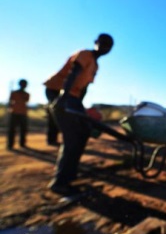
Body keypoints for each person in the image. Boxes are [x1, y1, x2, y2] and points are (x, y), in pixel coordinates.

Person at [46, 33, 114, 195]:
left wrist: (80, 108)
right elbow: (73, 74)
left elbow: (84, 88)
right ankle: (59, 182)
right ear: (96, 42)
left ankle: (69, 177)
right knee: (72, 136)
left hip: (73, 97)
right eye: (102, 43)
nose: (104, 47)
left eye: (108, 46)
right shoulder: (85, 54)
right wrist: (62, 98)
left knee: (83, 132)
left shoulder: (95, 66)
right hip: (59, 92)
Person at [7, 79, 30, 149]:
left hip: (23, 113)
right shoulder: (14, 93)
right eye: (23, 84)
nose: (24, 86)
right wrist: (10, 109)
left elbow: (26, 100)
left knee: (23, 129)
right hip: (14, 113)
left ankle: (22, 144)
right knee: (12, 130)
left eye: (25, 84)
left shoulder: (26, 94)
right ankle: (10, 144)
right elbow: (10, 101)